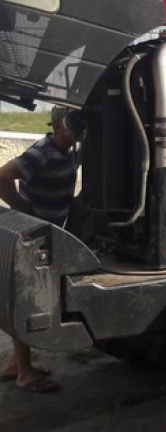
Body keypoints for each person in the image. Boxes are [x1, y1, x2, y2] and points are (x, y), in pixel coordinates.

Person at [0, 106, 80, 393]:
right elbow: (3, 177)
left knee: (25, 296)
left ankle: (15, 364)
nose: (76, 130)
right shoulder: (42, 152)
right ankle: (24, 374)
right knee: (30, 299)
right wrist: (24, 210)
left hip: (49, 233)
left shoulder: (69, 152)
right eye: (71, 124)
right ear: (58, 126)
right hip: (35, 236)